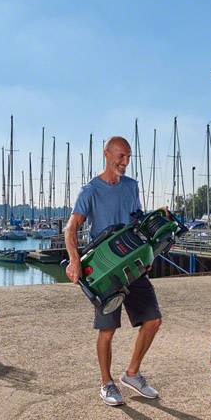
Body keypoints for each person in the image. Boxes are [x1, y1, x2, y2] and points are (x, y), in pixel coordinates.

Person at [64, 136, 162, 406]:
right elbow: (71, 228)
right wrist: (74, 261)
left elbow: (138, 221)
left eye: (129, 157)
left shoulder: (131, 187)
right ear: (106, 154)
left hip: (134, 264)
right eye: (121, 156)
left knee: (153, 320)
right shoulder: (90, 191)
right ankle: (106, 384)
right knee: (107, 331)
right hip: (106, 269)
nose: (125, 162)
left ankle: (131, 374)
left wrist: (149, 251)